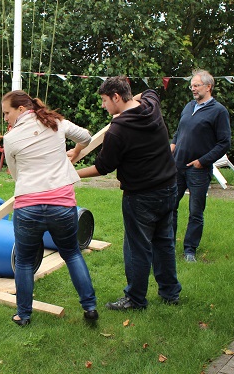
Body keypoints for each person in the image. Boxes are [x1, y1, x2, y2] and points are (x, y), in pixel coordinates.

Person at [75, 76, 181, 311]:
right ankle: (170, 293)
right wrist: (129, 99)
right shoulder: (151, 106)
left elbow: (103, 167)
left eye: (105, 100)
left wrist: (72, 175)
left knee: (137, 248)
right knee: (164, 243)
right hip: (169, 188)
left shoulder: (118, 130)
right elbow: (149, 91)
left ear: (116, 97)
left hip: (142, 196)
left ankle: (135, 299)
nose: (103, 106)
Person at [2, 89, 98, 326]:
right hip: (62, 205)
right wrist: (74, 153)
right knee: (72, 253)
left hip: (28, 207)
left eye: (7, 113)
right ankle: (90, 307)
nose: (5, 118)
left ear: (21, 109)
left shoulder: (10, 138)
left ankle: (23, 315)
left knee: (24, 262)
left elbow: (16, 175)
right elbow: (86, 137)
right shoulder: (57, 123)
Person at [171, 69, 231, 263]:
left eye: (196, 85)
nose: (193, 89)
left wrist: (202, 161)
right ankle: (167, 244)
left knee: (196, 212)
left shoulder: (219, 111)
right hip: (177, 166)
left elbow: (224, 143)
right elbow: (179, 131)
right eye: (192, 86)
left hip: (198, 170)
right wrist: (173, 145)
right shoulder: (188, 106)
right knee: (169, 206)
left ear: (208, 86)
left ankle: (190, 250)